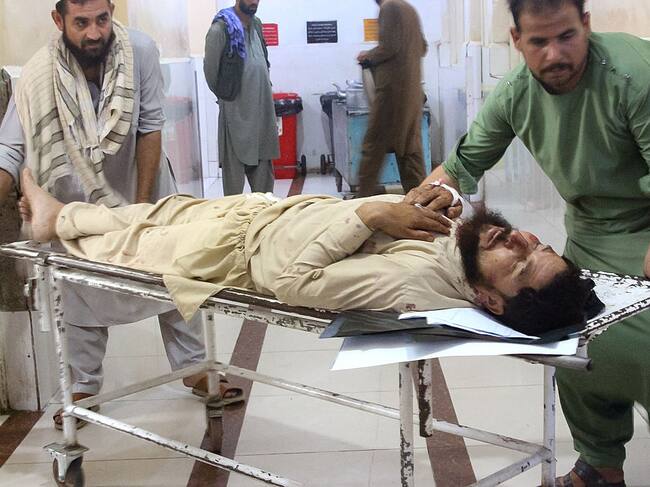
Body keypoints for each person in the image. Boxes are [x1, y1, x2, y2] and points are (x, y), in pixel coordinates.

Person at [402, 0, 650, 485]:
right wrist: (415, 210)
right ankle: (600, 463)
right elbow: (460, 167)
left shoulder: (632, 74)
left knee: (640, 339)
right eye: (539, 42)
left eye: (567, 37)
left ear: (586, 25)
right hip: (592, 227)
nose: (555, 54)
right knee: (572, 336)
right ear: (516, 40)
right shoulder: (516, 93)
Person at [19, 167, 597, 338]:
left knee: (126, 243)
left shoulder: (415, 286)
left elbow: (293, 281)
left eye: (521, 265)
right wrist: (439, 201)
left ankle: (52, 222)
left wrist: (369, 215)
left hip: (232, 252)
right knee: (148, 214)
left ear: (492, 302)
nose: (520, 240)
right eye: (537, 243)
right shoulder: (461, 250)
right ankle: (56, 215)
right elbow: (425, 219)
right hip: (260, 217)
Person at [0, 0, 214, 429]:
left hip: (140, 187)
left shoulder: (141, 51)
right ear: (59, 20)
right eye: (81, 23)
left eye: (102, 19)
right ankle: (84, 386)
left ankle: (195, 367)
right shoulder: (39, 74)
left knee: (170, 275)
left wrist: (138, 211)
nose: (95, 33)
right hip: (74, 203)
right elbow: (9, 151)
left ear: (112, 11)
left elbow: (150, 127)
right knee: (79, 289)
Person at [203, 0, 279, 196]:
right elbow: (211, 75)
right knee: (234, 195)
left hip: (262, 116)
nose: (254, 1)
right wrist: (229, 99)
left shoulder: (257, 25)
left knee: (265, 195)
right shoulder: (220, 29)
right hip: (235, 116)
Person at [355, 0, 428, 197]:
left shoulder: (389, 8)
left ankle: (361, 202)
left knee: (373, 147)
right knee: (410, 151)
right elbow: (423, 47)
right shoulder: (409, 9)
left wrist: (367, 56)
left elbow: (389, 47)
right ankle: (422, 202)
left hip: (392, 94)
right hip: (412, 92)